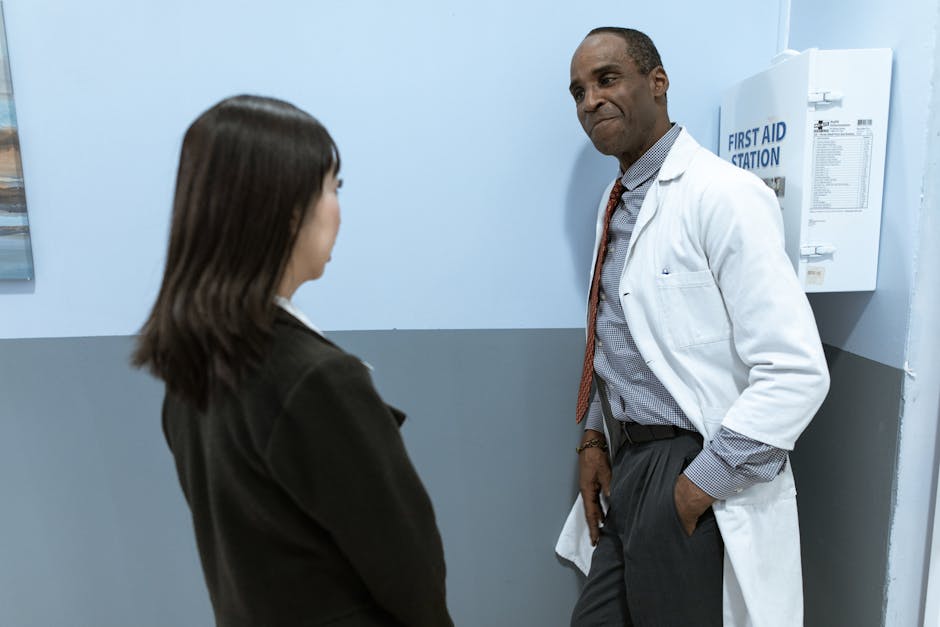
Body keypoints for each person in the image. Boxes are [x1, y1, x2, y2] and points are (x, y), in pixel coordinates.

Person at [133, 95, 453, 627]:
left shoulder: (191, 372)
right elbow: (412, 575)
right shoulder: (316, 378)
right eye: (333, 187)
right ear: (286, 212)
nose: (338, 208)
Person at [556, 28, 830, 626]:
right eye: (578, 92)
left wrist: (694, 489)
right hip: (628, 460)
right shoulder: (617, 200)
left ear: (657, 83)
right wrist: (595, 438)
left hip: (687, 463)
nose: (590, 101)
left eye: (607, 79)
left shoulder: (726, 196)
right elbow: (619, 336)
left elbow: (796, 370)